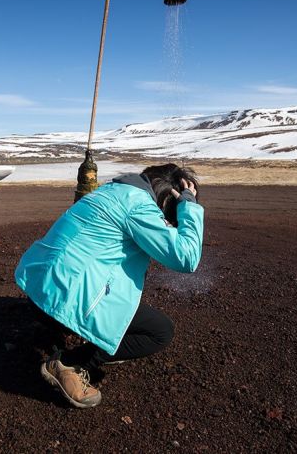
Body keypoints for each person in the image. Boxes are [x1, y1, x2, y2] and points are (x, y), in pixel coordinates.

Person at [14, 163, 204, 408]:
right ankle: (70, 364)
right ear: (170, 199)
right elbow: (186, 258)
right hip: (60, 301)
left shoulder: (112, 191)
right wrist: (189, 206)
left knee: (121, 301)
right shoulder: (139, 208)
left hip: (39, 288)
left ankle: (86, 332)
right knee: (159, 331)